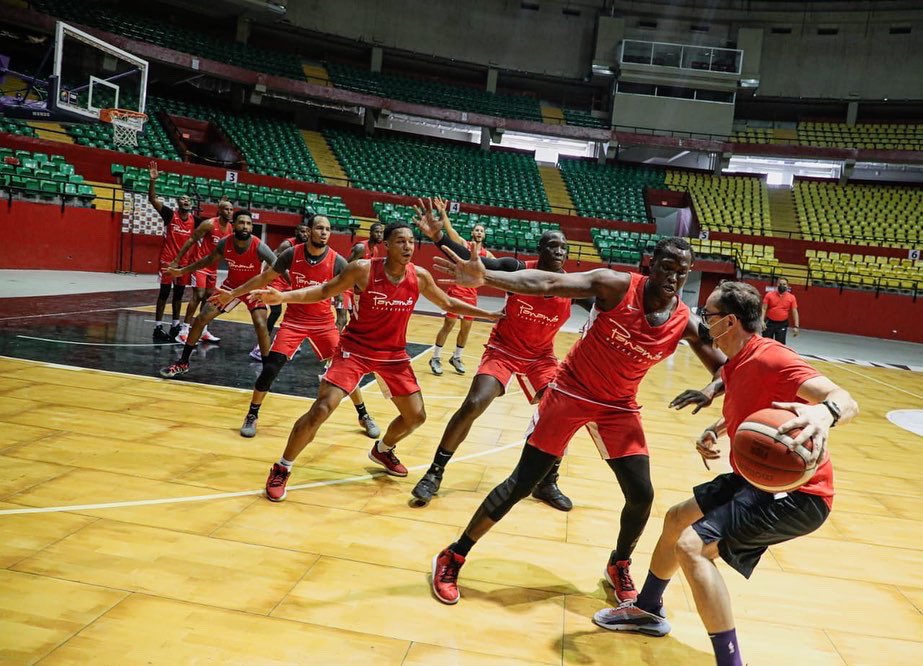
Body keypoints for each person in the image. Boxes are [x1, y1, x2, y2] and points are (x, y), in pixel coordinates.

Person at [428, 237, 726, 606]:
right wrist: (486, 276)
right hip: (571, 391)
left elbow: (726, 368)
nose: (674, 277)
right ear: (652, 264)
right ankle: (453, 555)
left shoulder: (685, 322)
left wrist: (712, 389)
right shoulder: (615, 285)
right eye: (667, 267)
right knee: (522, 483)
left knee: (642, 495)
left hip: (618, 407)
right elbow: (550, 283)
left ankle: (618, 564)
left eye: (682, 272)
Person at [592, 281, 857, 666]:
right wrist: (715, 430)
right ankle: (648, 609)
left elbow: (845, 399)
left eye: (709, 315)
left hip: (798, 495)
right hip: (753, 478)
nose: (703, 321)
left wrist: (825, 412)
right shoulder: (737, 359)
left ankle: (731, 662)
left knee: (691, 547)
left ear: (729, 321)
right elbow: (750, 407)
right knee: (676, 519)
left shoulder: (772, 357)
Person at [255, 221, 500, 502]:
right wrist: (282, 296)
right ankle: (282, 467)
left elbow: (447, 304)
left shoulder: (419, 276)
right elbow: (323, 291)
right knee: (322, 408)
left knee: (416, 417)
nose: (408, 246)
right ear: (387, 245)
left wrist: (488, 314)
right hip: (355, 350)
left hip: (393, 355)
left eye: (411, 241)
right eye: (400, 241)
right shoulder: (362, 270)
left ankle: (382, 449)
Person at [409, 200, 583, 511]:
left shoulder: (572, 285)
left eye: (564, 248)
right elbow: (474, 263)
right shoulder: (518, 270)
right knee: (474, 403)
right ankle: (435, 473)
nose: (559, 252)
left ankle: (547, 481)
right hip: (503, 350)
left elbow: (612, 301)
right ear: (540, 249)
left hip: (541, 357)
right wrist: (439, 238)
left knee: (561, 413)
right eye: (552, 246)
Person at [209, 215, 380, 440]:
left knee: (343, 370)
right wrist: (233, 293)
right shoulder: (292, 254)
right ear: (309, 231)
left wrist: (344, 314)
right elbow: (265, 278)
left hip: (323, 324)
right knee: (270, 368)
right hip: (293, 323)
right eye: (319, 228)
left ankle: (363, 415)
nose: (324, 232)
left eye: (328, 229)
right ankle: (252, 414)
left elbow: (349, 289)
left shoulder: (337, 261)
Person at [158, 210, 275, 378]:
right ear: (233, 225)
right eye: (242, 222)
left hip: (252, 289)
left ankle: (266, 371)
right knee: (200, 318)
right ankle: (183, 362)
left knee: (261, 325)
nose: (245, 226)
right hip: (230, 288)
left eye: (249, 224)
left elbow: (278, 265)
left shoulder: (259, 245)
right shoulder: (224, 243)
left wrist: (291, 287)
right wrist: (181, 271)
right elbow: (207, 260)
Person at [428, 197, 495, 376]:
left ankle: (456, 357)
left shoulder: (487, 254)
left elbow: (500, 270)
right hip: (457, 291)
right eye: (477, 230)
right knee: (449, 324)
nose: (479, 233)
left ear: (485, 235)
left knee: (466, 328)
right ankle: (435, 357)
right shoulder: (464, 245)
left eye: (482, 231)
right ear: (472, 232)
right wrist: (443, 211)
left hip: (472, 294)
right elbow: (449, 230)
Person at [170, 198, 234, 344]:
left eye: (231, 209)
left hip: (213, 268)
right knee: (198, 295)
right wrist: (177, 260)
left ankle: (203, 330)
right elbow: (191, 240)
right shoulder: (209, 224)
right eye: (226, 209)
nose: (229, 212)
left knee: (208, 298)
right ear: (220, 210)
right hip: (199, 264)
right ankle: (184, 331)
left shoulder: (230, 228)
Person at [148, 161, 196, 341]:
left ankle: (176, 325)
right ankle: (158, 326)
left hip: (184, 264)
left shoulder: (194, 220)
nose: (186, 201)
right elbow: (152, 200)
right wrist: (152, 181)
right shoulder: (170, 215)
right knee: (164, 293)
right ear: (178, 202)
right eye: (183, 198)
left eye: (188, 199)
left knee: (179, 294)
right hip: (168, 260)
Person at [249, 222, 312, 361]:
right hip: (277, 280)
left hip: (292, 281)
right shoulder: (287, 245)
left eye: (307, 231)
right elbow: (272, 261)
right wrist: (263, 279)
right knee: (276, 311)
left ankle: (292, 340)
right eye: (302, 231)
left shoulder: (308, 247)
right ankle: (259, 347)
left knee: (297, 309)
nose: (305, 234)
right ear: (296, 232)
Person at [761, 277, 799, 344]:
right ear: (777, 284)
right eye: (780, 283)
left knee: (780, 345)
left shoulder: (791, 297)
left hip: (782, 324)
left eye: (784, 284)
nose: (782, 285)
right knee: (765, 343)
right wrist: (761, 321)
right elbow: (763, 309)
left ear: (787, 286)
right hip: (769, 323)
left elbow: (794, 312)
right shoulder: (769, 295)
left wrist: (796, 326)